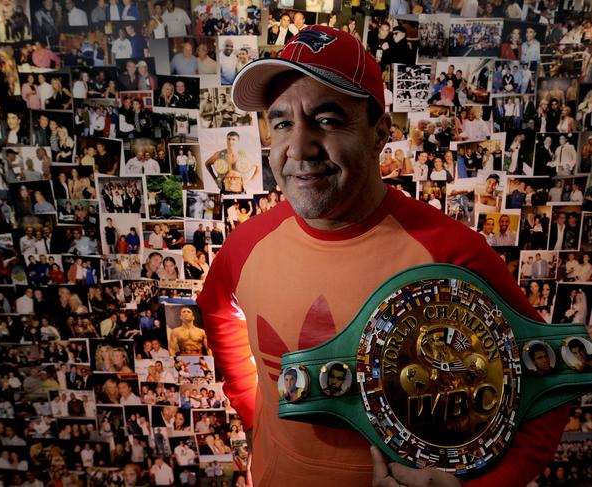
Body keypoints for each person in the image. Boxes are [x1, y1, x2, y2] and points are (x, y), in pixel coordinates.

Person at [197, 25, 566, 487]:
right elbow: (217, 311)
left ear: (379, 133)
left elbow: (554, 385)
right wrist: (252, 415)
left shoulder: (450, 253)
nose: (300, 148)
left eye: (328, 120)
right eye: (282, 121)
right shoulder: (245, 243)